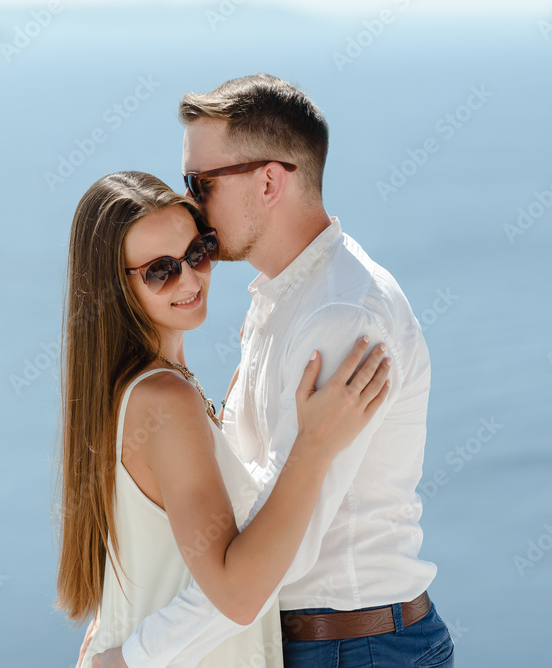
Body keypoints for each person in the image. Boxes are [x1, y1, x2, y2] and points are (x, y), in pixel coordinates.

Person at [91, 75, 454, 668]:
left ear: (267, 180)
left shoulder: (339, 319)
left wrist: (135, 655)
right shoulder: (287, 300)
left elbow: (285, 548)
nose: (190, 204)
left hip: (352, 649)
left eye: (200, 182)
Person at [56, 170, 392, 668]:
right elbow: (237, 594)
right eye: (160, 271)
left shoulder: (136, 392)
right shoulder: (165, 399)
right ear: (113, 288)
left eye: (198, 252)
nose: (190, 279)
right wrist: (314, 446)